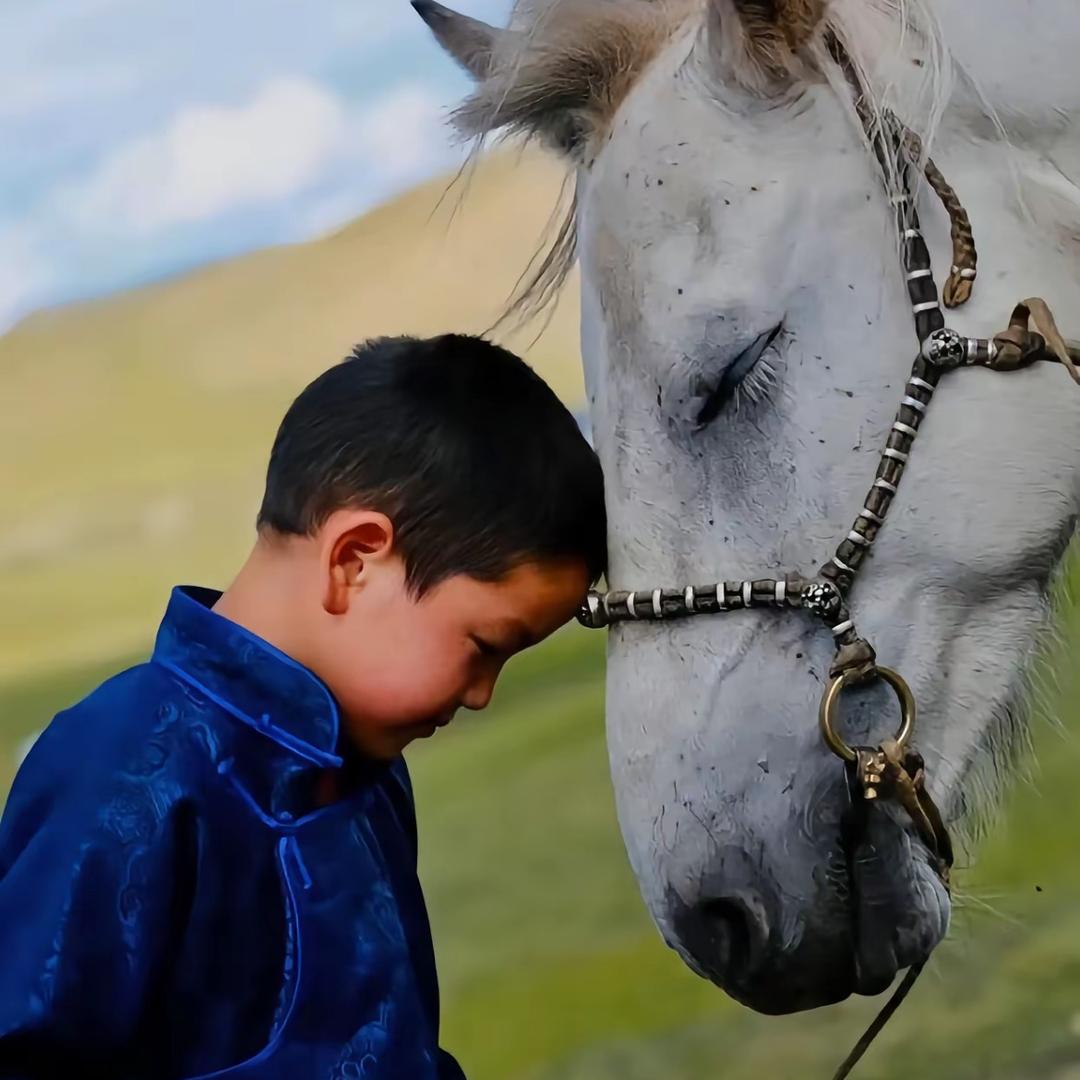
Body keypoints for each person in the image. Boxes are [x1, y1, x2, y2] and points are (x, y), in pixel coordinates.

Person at [0, 334, 607, 1079]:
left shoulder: (373, 779)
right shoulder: (125, 766)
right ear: (354, 560)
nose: (482, 695)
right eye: (484, 646)